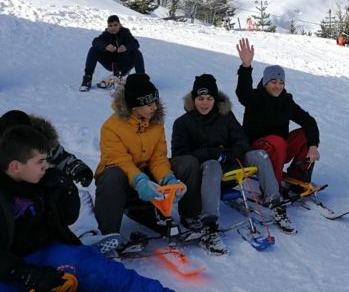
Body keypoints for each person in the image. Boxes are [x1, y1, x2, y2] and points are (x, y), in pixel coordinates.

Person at [0, 125, 175, 292]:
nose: (47, 166)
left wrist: (67, 191)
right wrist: (25, 273)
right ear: (15, 166)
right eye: (41, 161)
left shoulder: (41, 180)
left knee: (94, 266)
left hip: (43, 252)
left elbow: (67, 218)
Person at [0, 110, 94, 258]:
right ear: (0, 138)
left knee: (80, 195)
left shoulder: (41, 145)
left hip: (41, 206)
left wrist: (78, 169)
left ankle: (87, 232)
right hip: (7, 213)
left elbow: (64, 159)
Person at [171, 74, 294, 254]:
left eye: (209, 98)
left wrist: (232, 152)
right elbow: (180, 155)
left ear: (216, 99)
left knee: (260, 154)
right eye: (200, 98)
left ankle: (275, 203)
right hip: (206, 175)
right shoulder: (182, 123)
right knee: (212, 164)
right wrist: (210, 153)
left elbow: (242, 139)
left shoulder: (225, 116)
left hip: (229, 163)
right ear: (193, 99)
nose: (204, 103)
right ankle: (209, 225)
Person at [94, 73, 183, 236]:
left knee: (183, 164)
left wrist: (167, 178)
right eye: (149, 104)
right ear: (134, 106)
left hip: (145, 177)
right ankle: (107, 235)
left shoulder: (155, 123)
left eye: (155, 102)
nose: (154, 107)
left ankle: (172, 217)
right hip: (120, 179)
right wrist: (139, 180)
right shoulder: (111, 127)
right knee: (112, 176)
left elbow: (158, 157)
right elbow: (119, 160)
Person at [235, 38, 320, 189]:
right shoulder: (255, 97)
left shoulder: (286, 101)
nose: (278, 86)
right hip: (257, 150)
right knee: (277, 141)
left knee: (304, 135)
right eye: (273, 82)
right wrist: (246, 66)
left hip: (279, 150)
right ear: (265, 83)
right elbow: (243, 93)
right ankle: (272, 187)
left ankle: (297, 178)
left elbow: (309, 121)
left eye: (281, 83)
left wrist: (313, 145)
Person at [80, 15, 145, 91]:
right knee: (93, 50)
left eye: (115, 25)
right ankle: (87, 78)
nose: (113, 28)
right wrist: (105, 46)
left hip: (125, 63)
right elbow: (95, 42)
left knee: (136, 52)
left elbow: (136, 43)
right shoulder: (106, 34)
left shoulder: (125, 33)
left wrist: (126, 47)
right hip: (111, 64)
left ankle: (141, 79)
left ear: (119, 25)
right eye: (110, 26)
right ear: (108, 26)